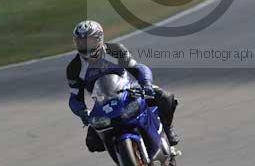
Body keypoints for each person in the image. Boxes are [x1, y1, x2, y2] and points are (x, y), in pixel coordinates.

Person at [67, 20, 179, 153]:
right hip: (102, 104)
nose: (84, 45)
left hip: (130, 91)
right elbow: (75, 98)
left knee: (165, 97)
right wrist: (82, 112)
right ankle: (121, 152)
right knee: (93, 143)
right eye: (80, 42)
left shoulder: (115, 50)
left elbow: (138, 68)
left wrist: (146, 84)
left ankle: (167, 128)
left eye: (88, 41)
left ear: (99, 38)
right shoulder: (74, 67)